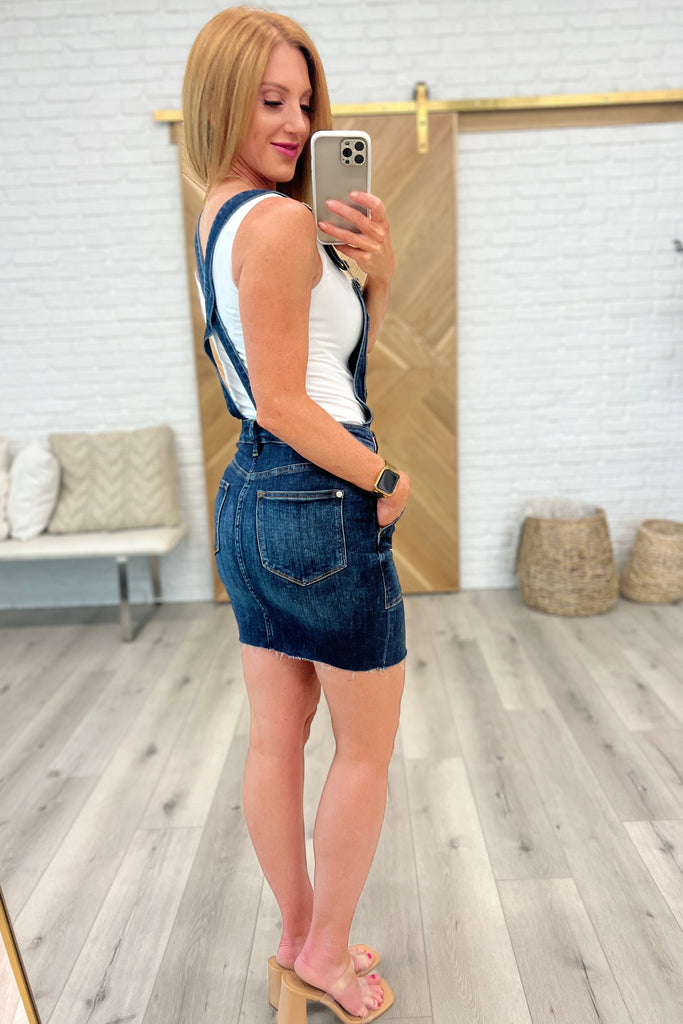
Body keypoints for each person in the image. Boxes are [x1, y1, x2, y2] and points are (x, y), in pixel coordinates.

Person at [183, 8, 409, 1021]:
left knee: (276, 738)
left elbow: (316, 368)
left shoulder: (222, 215)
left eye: (304, 102)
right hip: (317, 494)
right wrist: (383, 476)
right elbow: (290, 400)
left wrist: (376, 278)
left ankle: (297, 935)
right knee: (364, 749)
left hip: (250, 497)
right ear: (220, 101)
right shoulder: (278, 224)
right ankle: (324, 959)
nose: (294, 123)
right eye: (269, 100)